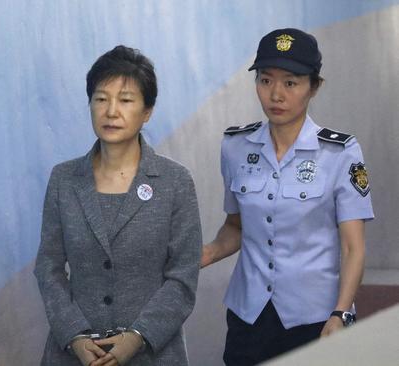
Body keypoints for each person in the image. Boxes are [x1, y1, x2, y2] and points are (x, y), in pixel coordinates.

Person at [201, 28, 374, 365]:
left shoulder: (341, 153)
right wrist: (204, 253)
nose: (275, 94)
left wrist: (340, 314)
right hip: (248, 315)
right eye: (265, 81)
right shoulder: (236, 147)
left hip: (315, 318)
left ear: (314, 87)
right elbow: (236, 227)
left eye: (290, 83)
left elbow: (354, 248)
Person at [34, 45, 201, 366]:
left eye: (125, 100)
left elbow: (182, 276)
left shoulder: (174, 181)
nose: (111, 111)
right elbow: (48, 267)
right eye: (101, 99)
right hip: (74, 355)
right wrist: (74, 336)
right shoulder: (64, 179)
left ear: (147, 111)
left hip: (153, 354)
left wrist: (138, 337)